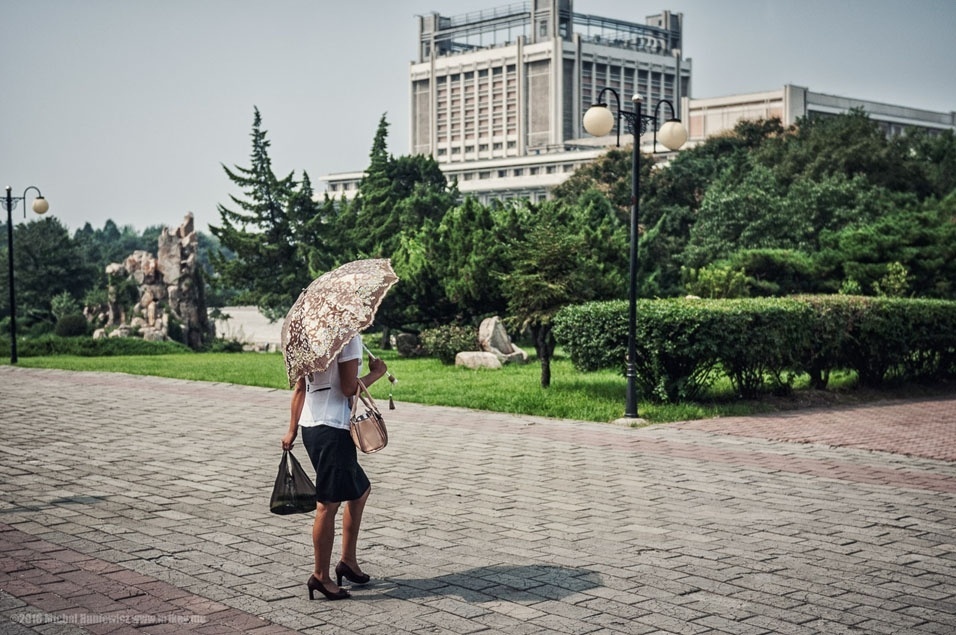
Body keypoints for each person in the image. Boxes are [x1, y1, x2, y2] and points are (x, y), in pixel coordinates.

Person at [281, 333, 388, 601]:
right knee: (327, 505)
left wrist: (292, 431)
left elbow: (299, 389)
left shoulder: (306, 339)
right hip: (333, 430)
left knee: (360, 490)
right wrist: (378, 373)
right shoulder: (347, 338)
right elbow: (349, 388)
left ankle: (348, 562)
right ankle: (320, 576)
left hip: (312, 429)